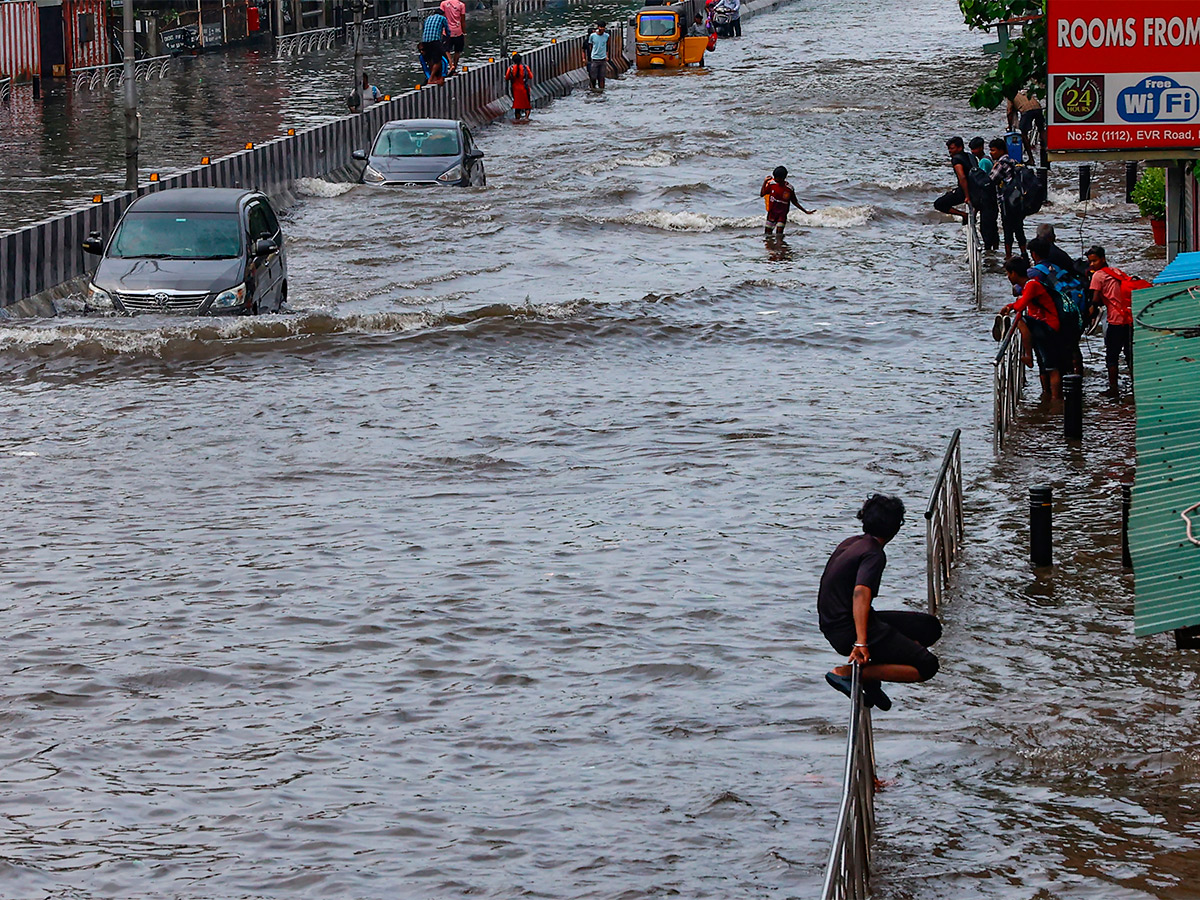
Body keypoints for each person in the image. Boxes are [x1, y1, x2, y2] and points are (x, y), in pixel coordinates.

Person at [819, 494, 942, 712]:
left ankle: (870, 679)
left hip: (836, 623)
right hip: (847, 629)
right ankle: (848, 673)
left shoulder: (852, 543)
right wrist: (861, 643)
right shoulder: (873, 554)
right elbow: (860, 594)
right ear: (896, 527)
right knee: (927, 666)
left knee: (929, 627)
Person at [1001, 255, 1063, 399]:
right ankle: (1046, 395)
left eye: (1008, 273)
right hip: (1041, 325)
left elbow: (1021, 306)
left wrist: (1010, 308)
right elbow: (1021, 302)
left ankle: (1055, 401)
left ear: (1014, 273)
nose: (1008, 277)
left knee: (1052, 368)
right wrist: (1010, 306)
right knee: (1044, 365)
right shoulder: (1028, 286)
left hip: (1049, 326)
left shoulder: (1032, 285)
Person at [1028, 236, 1082, 376]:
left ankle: (1052, 393)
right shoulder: (1057, 268)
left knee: (1049, 362)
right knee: (1071, 350)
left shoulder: (1035, 272)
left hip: (1051, 321)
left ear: (1034, 254)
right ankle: (1076, 379)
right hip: (1070, 315)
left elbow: (1017, 289)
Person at [1086, 245, 1134, 398]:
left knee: (1112, 357)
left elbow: (1094, 301)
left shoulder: (1098, 276)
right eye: (1090, 262)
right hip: (1129, 318)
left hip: (1115, 321)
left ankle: (1113, 389)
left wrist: (1088, 316)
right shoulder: (1116, 271)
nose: (1092, 264)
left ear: (1103, 259)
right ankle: (1135, 384)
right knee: (1129, 354)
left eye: (1094, 261)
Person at [988, 137, 1027, 260]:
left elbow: (991, 181)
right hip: (1018, 201)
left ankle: (1008, 255)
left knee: (1008, 230)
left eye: (993, 150)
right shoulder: (1014, 161)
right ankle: (1024, 253)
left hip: (1007, 202)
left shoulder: (1001, 164)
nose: (991, 153)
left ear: (1000, 150)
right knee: (1019, 228)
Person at [760, 165, 813, 236]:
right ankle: (770, 246)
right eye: (774, 177)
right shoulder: (771, 184)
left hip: (782, 215)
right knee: (767, 234)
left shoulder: (789, 188)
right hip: (771, 214)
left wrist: (805, 211)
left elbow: (795, 202)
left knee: (779, 234)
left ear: (783, 178)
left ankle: (780, 246)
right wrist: (765, 182)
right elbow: (762, 194)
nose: (775, 179)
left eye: (777, 178)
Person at [933, 136, 976, 223]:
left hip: (966, 190)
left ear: (960, 147)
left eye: (952, 148)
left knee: (939, 204)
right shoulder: (970, 156)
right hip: (975, 188)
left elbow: (962, 177)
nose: (950, 151)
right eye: (949, 149)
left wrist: (967, 196)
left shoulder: (956, 159)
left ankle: (964, 215)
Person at [967, 137, 998, 251]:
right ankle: (993, 250)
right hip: (990, 199)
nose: (973, 152)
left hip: (987, 199)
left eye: (974, 149)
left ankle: (989, 249)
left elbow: (981, 181)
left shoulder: (983, 162)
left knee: (986, 227)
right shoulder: (986, 159)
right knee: (991, 226)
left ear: (980, 148)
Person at [1007, 91, 1045, 164]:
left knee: (1024, 134)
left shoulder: (1010, 94)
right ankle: (1046, 151)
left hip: (1026, 111)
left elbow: (1009, 112)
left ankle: (1031, 159)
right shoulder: (1024, 92)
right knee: (1042, 130)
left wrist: (1009, 125)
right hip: (1038, 109)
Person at [420, 7, 451, 85]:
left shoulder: (428, 18)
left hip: (425, 41)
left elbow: (424, 29)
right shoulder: (442, 18)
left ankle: (432, 77)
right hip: (435, 41)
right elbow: (447, 31)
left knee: (430, 60)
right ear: (442, 14)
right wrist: (447, 39)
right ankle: (431, 79)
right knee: (438, 61)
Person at [440, 0, 466, 75]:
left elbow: (441, 17)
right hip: (458, 31)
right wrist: (464, 33)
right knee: (457, 51)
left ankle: (451, 65)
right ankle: (455, 66)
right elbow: (463, 20)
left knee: (446, 50)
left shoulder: (443, 4)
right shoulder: (461, 5)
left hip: (447, 31)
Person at [583, 21, 610, 92]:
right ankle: (593, 88)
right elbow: (590, 45)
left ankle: (601, 90)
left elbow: (607, 46)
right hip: (594, 59)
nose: (602, 29)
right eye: (601, 27)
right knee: (593, 76)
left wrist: (607, 55)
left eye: (603, 28)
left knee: (602, 77)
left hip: (603, 59)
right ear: (598, 28)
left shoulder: (606, 36)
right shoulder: (593, 36)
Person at [505, 52, 533, 120]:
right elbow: (531, 76)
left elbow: (507, 77)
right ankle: (526, 118)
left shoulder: (511, 68)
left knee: (517, 106)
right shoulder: (525, 67)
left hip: (515, 90)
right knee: (527, 105)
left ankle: (518, 119)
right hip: (524, 89)